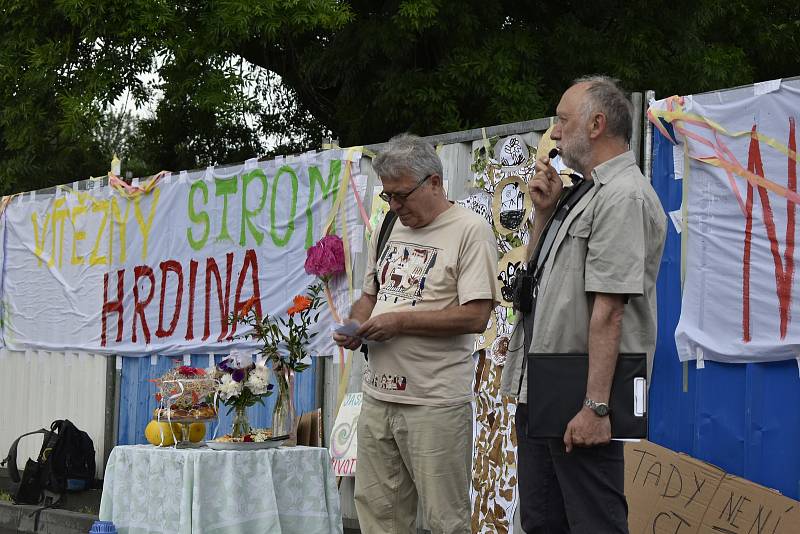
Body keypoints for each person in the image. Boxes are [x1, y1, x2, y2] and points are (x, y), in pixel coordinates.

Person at [501, 76, 667, 533]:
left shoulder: (623, 197)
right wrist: (543, 214)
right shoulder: (585, 193)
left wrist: (596, 408)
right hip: (546, 390)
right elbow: (533, 284)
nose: (554, 133)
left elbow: (610, 311)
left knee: (594, 524)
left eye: (562, 119)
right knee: (543, 522)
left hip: (580, 398)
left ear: (596, 124)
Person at [334, 133, 499, 534]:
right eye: (388, 196)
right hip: (378, 397)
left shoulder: (470, 230)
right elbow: (371, 295)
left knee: (445, 519)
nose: (394, 205)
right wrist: (356, 326)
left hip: (434, 402)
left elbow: (477, 316)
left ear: (435, 182)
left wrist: (401, 322)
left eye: (402, 195)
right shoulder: (389, 224)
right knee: (379, 515)